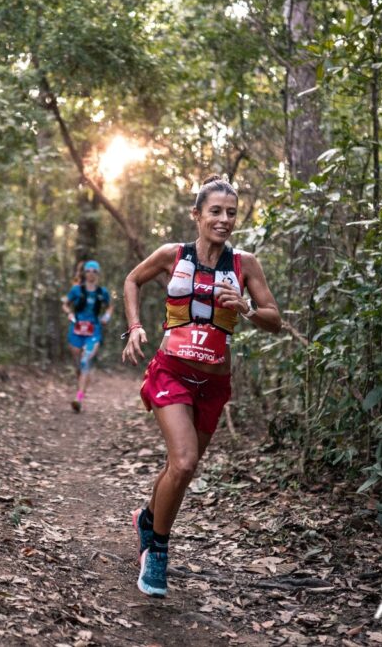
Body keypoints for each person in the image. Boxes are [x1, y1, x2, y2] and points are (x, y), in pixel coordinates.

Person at [120, 175, 281, 598]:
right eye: (215, 211)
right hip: (171, 371)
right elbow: (132, 280)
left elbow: (274, 320)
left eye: (231, 212)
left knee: (180, 468)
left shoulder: (246, 264)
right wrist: (135, 326)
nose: (224, 219)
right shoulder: (172, 255)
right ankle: (156, 550)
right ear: (197, 214)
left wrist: (246, 309)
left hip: (213, 383)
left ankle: (148, 518)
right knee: (186, 461)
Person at [63, 260, 113, 412]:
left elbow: (110, 306)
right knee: (78, 364)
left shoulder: (102, 292)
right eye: (88, 270)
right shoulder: (76, 290)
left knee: (86, 360)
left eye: (94, 271)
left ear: (98, 274)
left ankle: (78, 398)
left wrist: (106, 317)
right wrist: (69, 312)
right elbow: (65, 303)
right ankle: (81, 383)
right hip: (76, 330)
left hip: (93, 331)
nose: (91, 273)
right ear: (84, 273)